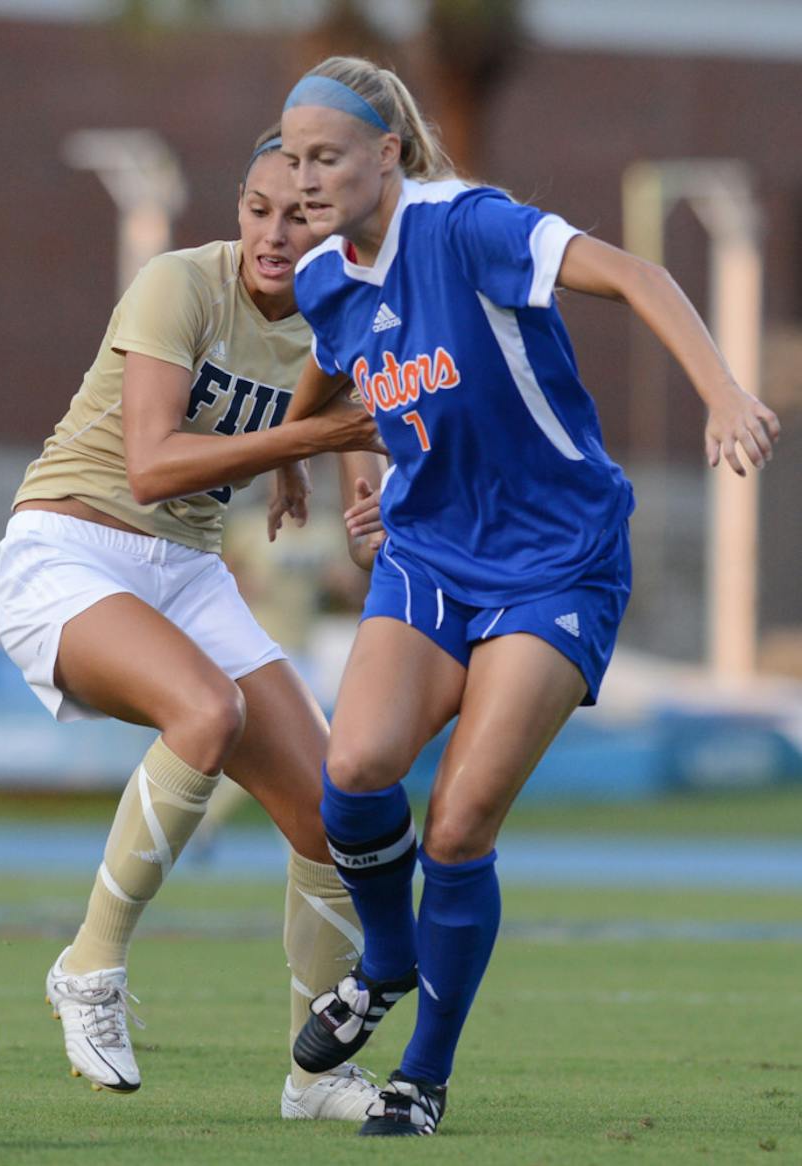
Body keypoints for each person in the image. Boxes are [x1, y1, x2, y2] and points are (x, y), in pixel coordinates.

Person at [274, 57, 782, 1137]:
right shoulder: (324, 276)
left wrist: (724, 387)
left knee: (456, 826)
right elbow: (331, 373)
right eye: (293, 156)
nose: (305, 177)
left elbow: (641, 275)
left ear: (388, 156)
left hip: (556, 560)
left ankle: (421, 1073)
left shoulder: (471, 228)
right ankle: (387, 958)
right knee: (356, 768)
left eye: (327, 156)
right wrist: (307, 465)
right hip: (427, 555)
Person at [0, 125, 387, 1121]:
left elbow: (350, 435)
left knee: (335, 822)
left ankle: (314, 1076)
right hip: (70, 548)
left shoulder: (347, 319)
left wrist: (363, 506)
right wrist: (314, 438)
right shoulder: (180, 282)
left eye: (301, 215)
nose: (272, 232)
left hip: (188, 573)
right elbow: (153, 467)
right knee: (203, 711)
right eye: (258, 208)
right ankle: (87, 967)